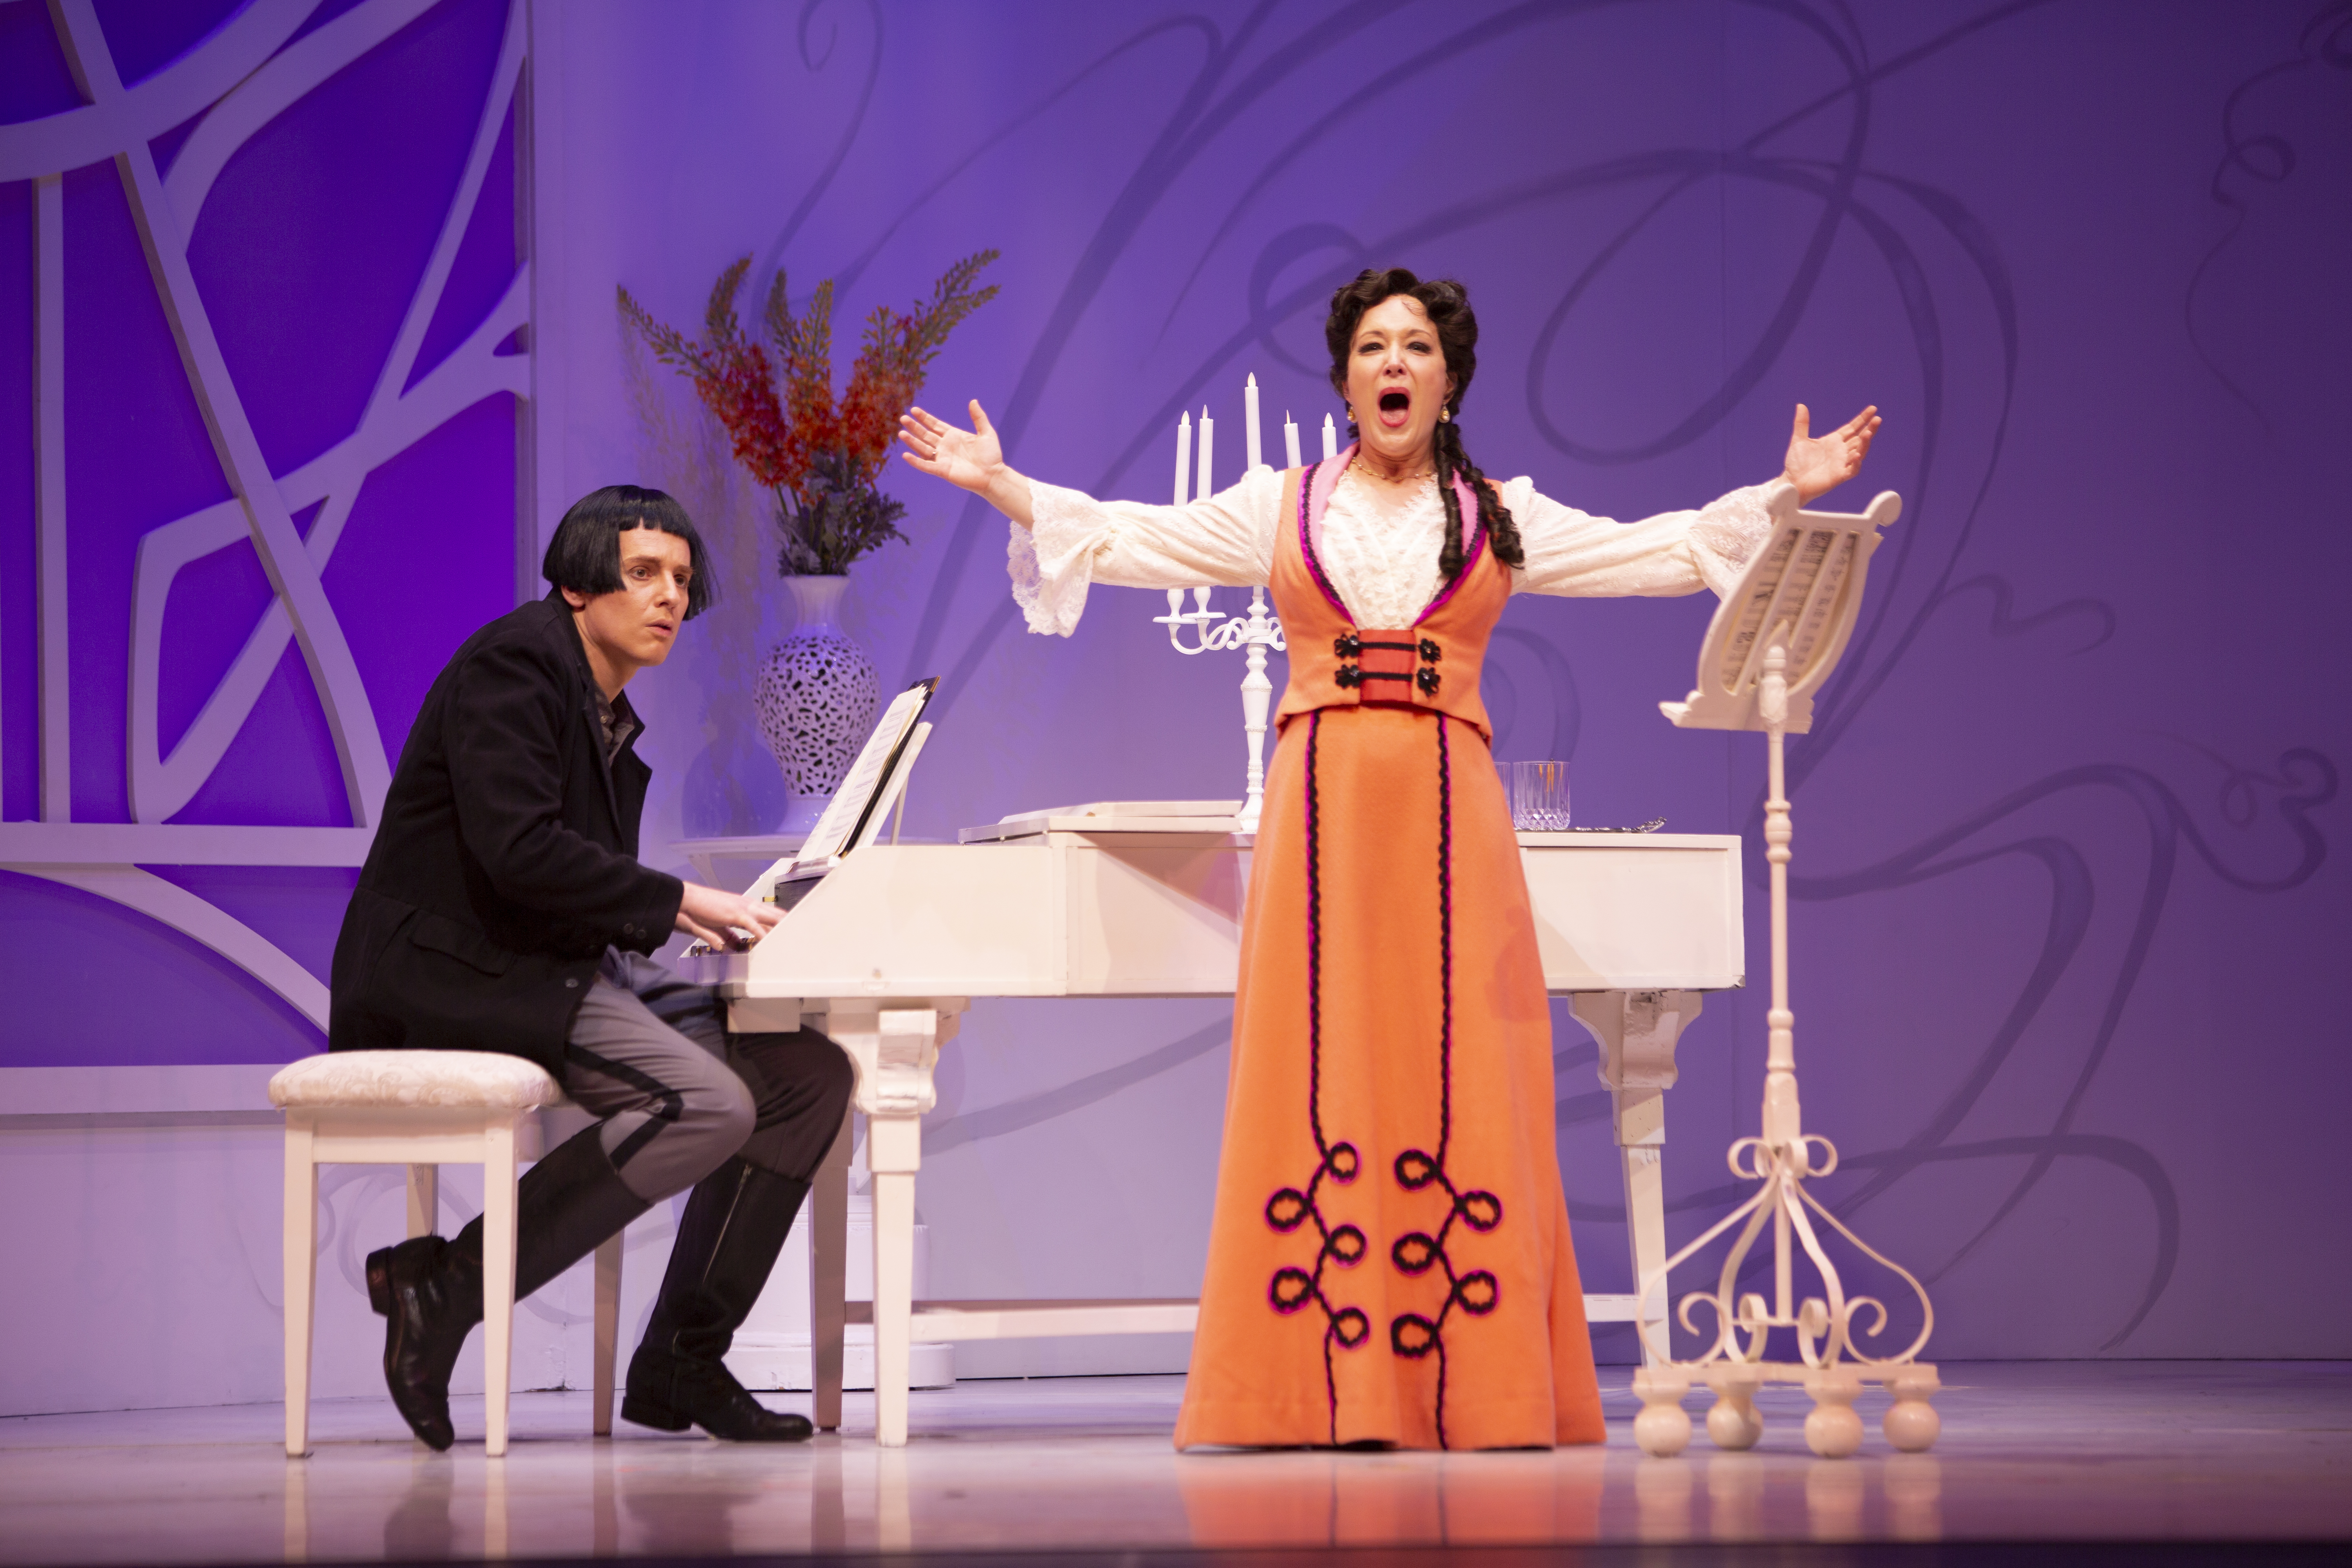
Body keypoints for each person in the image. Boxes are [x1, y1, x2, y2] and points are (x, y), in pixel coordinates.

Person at [896, 268, 1879, 1450]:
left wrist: (1786, 494)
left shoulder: (1497, 515)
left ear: (1449, 378)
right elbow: (1130, 537)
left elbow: (1658, 550)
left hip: (1451, 808)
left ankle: (1477, 1383)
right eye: (1373, 347)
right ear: (1347, 379)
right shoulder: (1283, 505)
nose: (1394, 363)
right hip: (1321, 805)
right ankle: (1303, 1384)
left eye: (1416, 346)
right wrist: (1005, 484)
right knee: (1322, 1062)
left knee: (1460, 1061)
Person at [328, 484, 853, 1450]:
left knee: (810, 1076)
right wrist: (681, 900)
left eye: (683, 581)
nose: (669, 599)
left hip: (546, 963)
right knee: (711, 1103)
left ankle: (681, 1359)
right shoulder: (515, 664)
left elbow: (572, 881)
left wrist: (663, 928)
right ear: (578, 585)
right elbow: (518, 851)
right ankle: (445, 1284)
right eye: (644, 573)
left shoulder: (598, 704)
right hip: (453, 971)